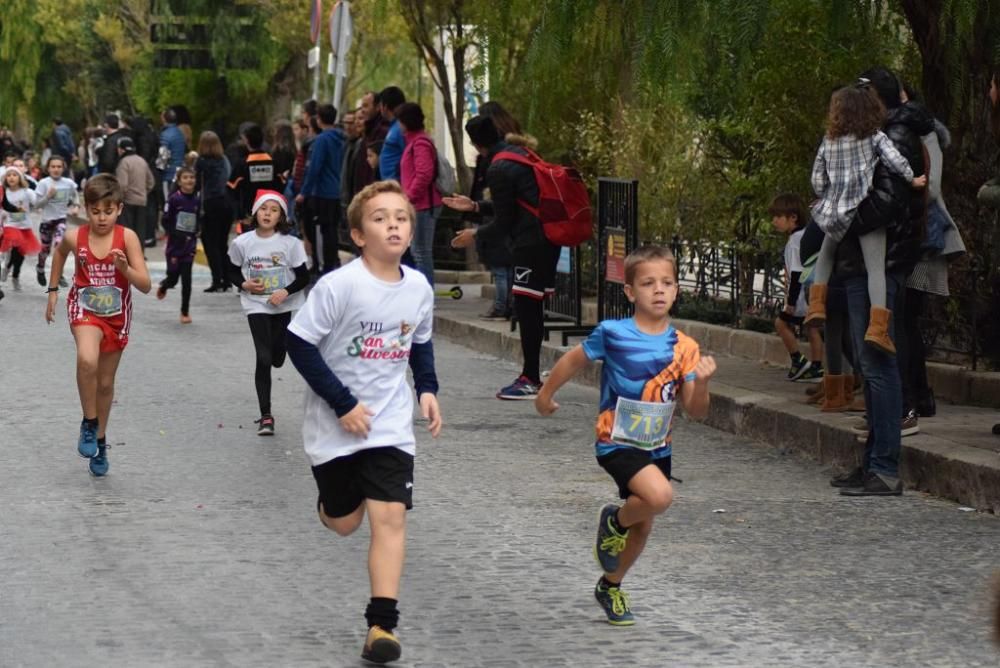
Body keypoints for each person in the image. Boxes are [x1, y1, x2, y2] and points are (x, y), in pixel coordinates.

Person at [286, 180, 441, 664]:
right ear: (358, 234)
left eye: (401, 217)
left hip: (391, 424)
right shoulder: (340, 286)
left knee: (390, 516)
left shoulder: (418, 287)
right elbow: (299, 344)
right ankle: (329, 505)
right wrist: (342, 402)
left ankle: (381, 626)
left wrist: (428, 389)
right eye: (380, 217)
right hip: (335, 424)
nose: (393, 224)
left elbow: (419, 342)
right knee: (346, 522)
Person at [535, 245, 715, 625]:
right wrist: (545, 394)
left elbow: (696, 411)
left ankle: (610, 585)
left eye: (667, 282)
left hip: (657, 446)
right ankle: (614, 521)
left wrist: (704, 383)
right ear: (631, 291)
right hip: (616, 441)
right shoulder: (614, 333)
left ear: (677, 290)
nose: (659, 290)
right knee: (660, 496)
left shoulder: (685, 347)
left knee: (645, 520)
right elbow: (573, 359)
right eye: (648, 283)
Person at [828, 67, 934, 496]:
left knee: (879, 363)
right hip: (862, 262)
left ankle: (885, 467)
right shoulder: (878, 137)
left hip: (881, 263)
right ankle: (873, 461)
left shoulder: (896, 138)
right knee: (870, 365)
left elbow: (890, 201)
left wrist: (846, 219)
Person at [804, 82, 927, 356]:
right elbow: (896, 161)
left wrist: (826, 196)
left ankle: (816, 305)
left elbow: (817, 178)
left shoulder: (829, 140)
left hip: (835, 212)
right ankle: (878, 328)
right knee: (875, 270)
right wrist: (912, 179)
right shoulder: (874, 137)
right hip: (863, 210)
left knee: (826, 254)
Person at [44, 174, 152, 477]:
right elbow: (59, 254)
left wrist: (125, 268)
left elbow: (144, 284)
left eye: (108, 210)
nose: (101, 217)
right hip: (84, 309)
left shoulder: (127, 238)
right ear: (85, 209)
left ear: (119, 209)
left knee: (105, 384)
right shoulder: (75, 237)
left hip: (117, 315)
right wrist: (53, 291)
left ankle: (101, 441)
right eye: (95, 211)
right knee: (86, 359)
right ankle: (89, 423)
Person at [447, 115, 559, 400]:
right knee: (532, 308)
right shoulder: (520, 154)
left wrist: (474, 235)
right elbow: (511, 207)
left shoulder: (498, 168)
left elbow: (504, 222)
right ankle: (531, 374)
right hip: (547, 238)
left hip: (530, 243)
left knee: (527, 309)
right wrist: (473, 206)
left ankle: (530, 378)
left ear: (475, 144)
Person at [226, 191, 309, 436]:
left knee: (277, 358)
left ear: (281, 216)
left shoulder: (290, 244)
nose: (267, 214)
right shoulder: (243, 242)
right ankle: (266, 416)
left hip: (282, 305)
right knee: (263, 358)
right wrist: (243, 284)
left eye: (274, 210)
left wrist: (285, 291)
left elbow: (303, 277)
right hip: (256, 304)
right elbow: (230, 271)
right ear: (255, 212)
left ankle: (279, 350)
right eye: (264, 209)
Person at [768, 194, 824, 381]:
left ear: (793, 217)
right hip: (813, 293)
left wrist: (790, 302)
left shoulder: (794, 242)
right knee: (812, 328)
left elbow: (796, 273)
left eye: (778, 216)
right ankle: (816, 366)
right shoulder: (807, 236)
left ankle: (798, 360)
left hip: (800, 297)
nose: (774, 221)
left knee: (780, 323)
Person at [396, 103, 442, 286]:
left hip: (423, 205)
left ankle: (426, 294)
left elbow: (424, 174)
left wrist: (410, 197)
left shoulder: (420, 143)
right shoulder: (415, 141)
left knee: (421, 252)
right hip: (418, 204)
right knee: (418, 251)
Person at [298, 104, 346, 275]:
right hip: (337, 190)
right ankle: (331, 263)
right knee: (332, 229)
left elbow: (314, 167)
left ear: (318, 119)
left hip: (322, 191)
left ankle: (324, 266)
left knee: (321, 231)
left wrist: (304, 191)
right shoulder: (342, 139)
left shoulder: (321, 140)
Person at [157, 167, 199, 323]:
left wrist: (198, 229)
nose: (189, 180)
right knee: (174, 278)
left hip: (190, 246)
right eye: (186, 177)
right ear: (179, 181)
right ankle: (164, 285)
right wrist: (175, 233)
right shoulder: (174, 199)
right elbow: (165, 221)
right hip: (175, 246)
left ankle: (185, 312)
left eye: (192, 177)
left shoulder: (197, 199)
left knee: (187, 279)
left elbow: (198, 218)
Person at [195, 131, 234, 292]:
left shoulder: (201, 162)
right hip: (226, 203)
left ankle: (216, 279)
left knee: (210, 242)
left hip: (210, 203)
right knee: (222, 243)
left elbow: (198, 184)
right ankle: (228, 278)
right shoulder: (224, 160)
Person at [33, 156, 79, 288]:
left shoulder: (68, 183)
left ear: (63, 168)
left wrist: (76, 206)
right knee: (45, 250)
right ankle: (40, 268)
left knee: (59, 245)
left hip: (61, 219)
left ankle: (59, 274)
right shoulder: (43, 183)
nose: (56, 169)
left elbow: (75, 194)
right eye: (53, 166)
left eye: (59, 166)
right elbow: (36, 205)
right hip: (47, 221)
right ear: (48, 168)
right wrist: (48, 196)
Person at [228, 124, 281, 231]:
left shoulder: (243, 164)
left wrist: (238, 212)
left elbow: (231, 188)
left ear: (247, 141)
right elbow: (281, 185)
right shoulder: (273, 163)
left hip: (249, 213)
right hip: (270, 211)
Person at [0, 167, 40, 291]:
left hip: (24, 227)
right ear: (5, 178)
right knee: (15, 242)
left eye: (14, 175)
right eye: (9, 175)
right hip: (9, 225)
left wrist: (42, 201)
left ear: (20, 178)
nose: (11, 177)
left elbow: (37, 202)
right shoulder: (4, 191)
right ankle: (8, 267)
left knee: (20, 254)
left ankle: (14, 275)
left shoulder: (27, 192)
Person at [114, 138, 155, 248]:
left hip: (128, 201)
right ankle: (139, 254)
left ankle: (127, 254)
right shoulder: (142, 161)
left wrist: (119, 198)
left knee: (127, 230)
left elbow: (122, 185)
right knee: (140, 230)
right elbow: (151, 182)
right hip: (142, 201)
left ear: (121, 150)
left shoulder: (124, 162)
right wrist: (143, 192)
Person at [377, 86, 407, 182]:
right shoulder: (393, 126)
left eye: (380, 105)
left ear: (385, 106)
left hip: (397, 184)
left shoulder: (400, 128)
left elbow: (407, 154)